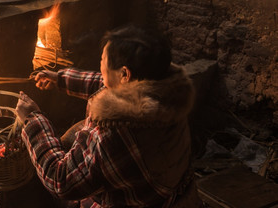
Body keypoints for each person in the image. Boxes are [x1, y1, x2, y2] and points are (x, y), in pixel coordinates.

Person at [16, 25, 203, 207]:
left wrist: (33, 120)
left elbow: (62, 181)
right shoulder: (167, 92)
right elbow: (108, 84)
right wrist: (61, 79)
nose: (100, 64)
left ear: (124, 74)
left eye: (102, 60)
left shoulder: (115, 133)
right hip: (171, 194)